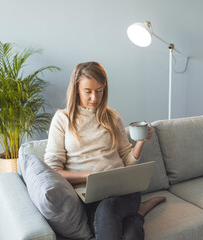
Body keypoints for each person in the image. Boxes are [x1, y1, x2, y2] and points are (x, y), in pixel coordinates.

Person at [44, 61, 166, 240]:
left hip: (124, 190)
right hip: (90, 195)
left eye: (99, 91)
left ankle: (136, 208)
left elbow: (127, 160)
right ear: (76, 89)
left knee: (108, 211)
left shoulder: (112, 117)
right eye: (88, 91)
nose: (94, 97)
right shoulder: (62, 119)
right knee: (130, 233)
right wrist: (90, 176)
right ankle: (138, 214)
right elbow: (53, 170)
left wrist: (141, 142)